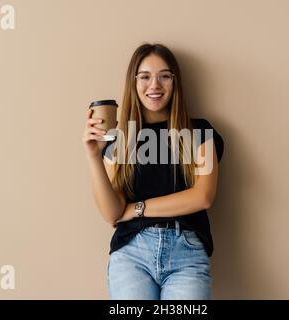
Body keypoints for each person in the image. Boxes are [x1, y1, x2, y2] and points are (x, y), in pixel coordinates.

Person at [82, 43, 224, 300]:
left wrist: (136, 209)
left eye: (164, 76)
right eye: (145, 76)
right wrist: (94, 155)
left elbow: (203, 196)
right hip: (132, 254)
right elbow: (111, 212)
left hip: (188, 254)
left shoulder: (200, 132)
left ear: (175, 81)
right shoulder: (120, 140)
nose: (154, 85)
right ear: (133, 82)